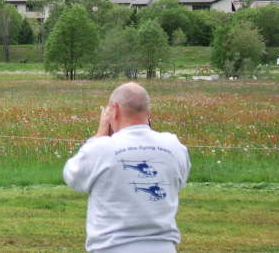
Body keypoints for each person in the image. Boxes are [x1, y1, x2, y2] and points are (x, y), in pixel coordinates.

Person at [63, 82, 190, 253]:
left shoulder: (101, 148)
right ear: (147, 111)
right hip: (164, 246)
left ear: (114, 110)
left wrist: (100, 134)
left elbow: (73, 176)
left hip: (113, 247)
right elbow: (178, 182)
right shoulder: (174, 146)